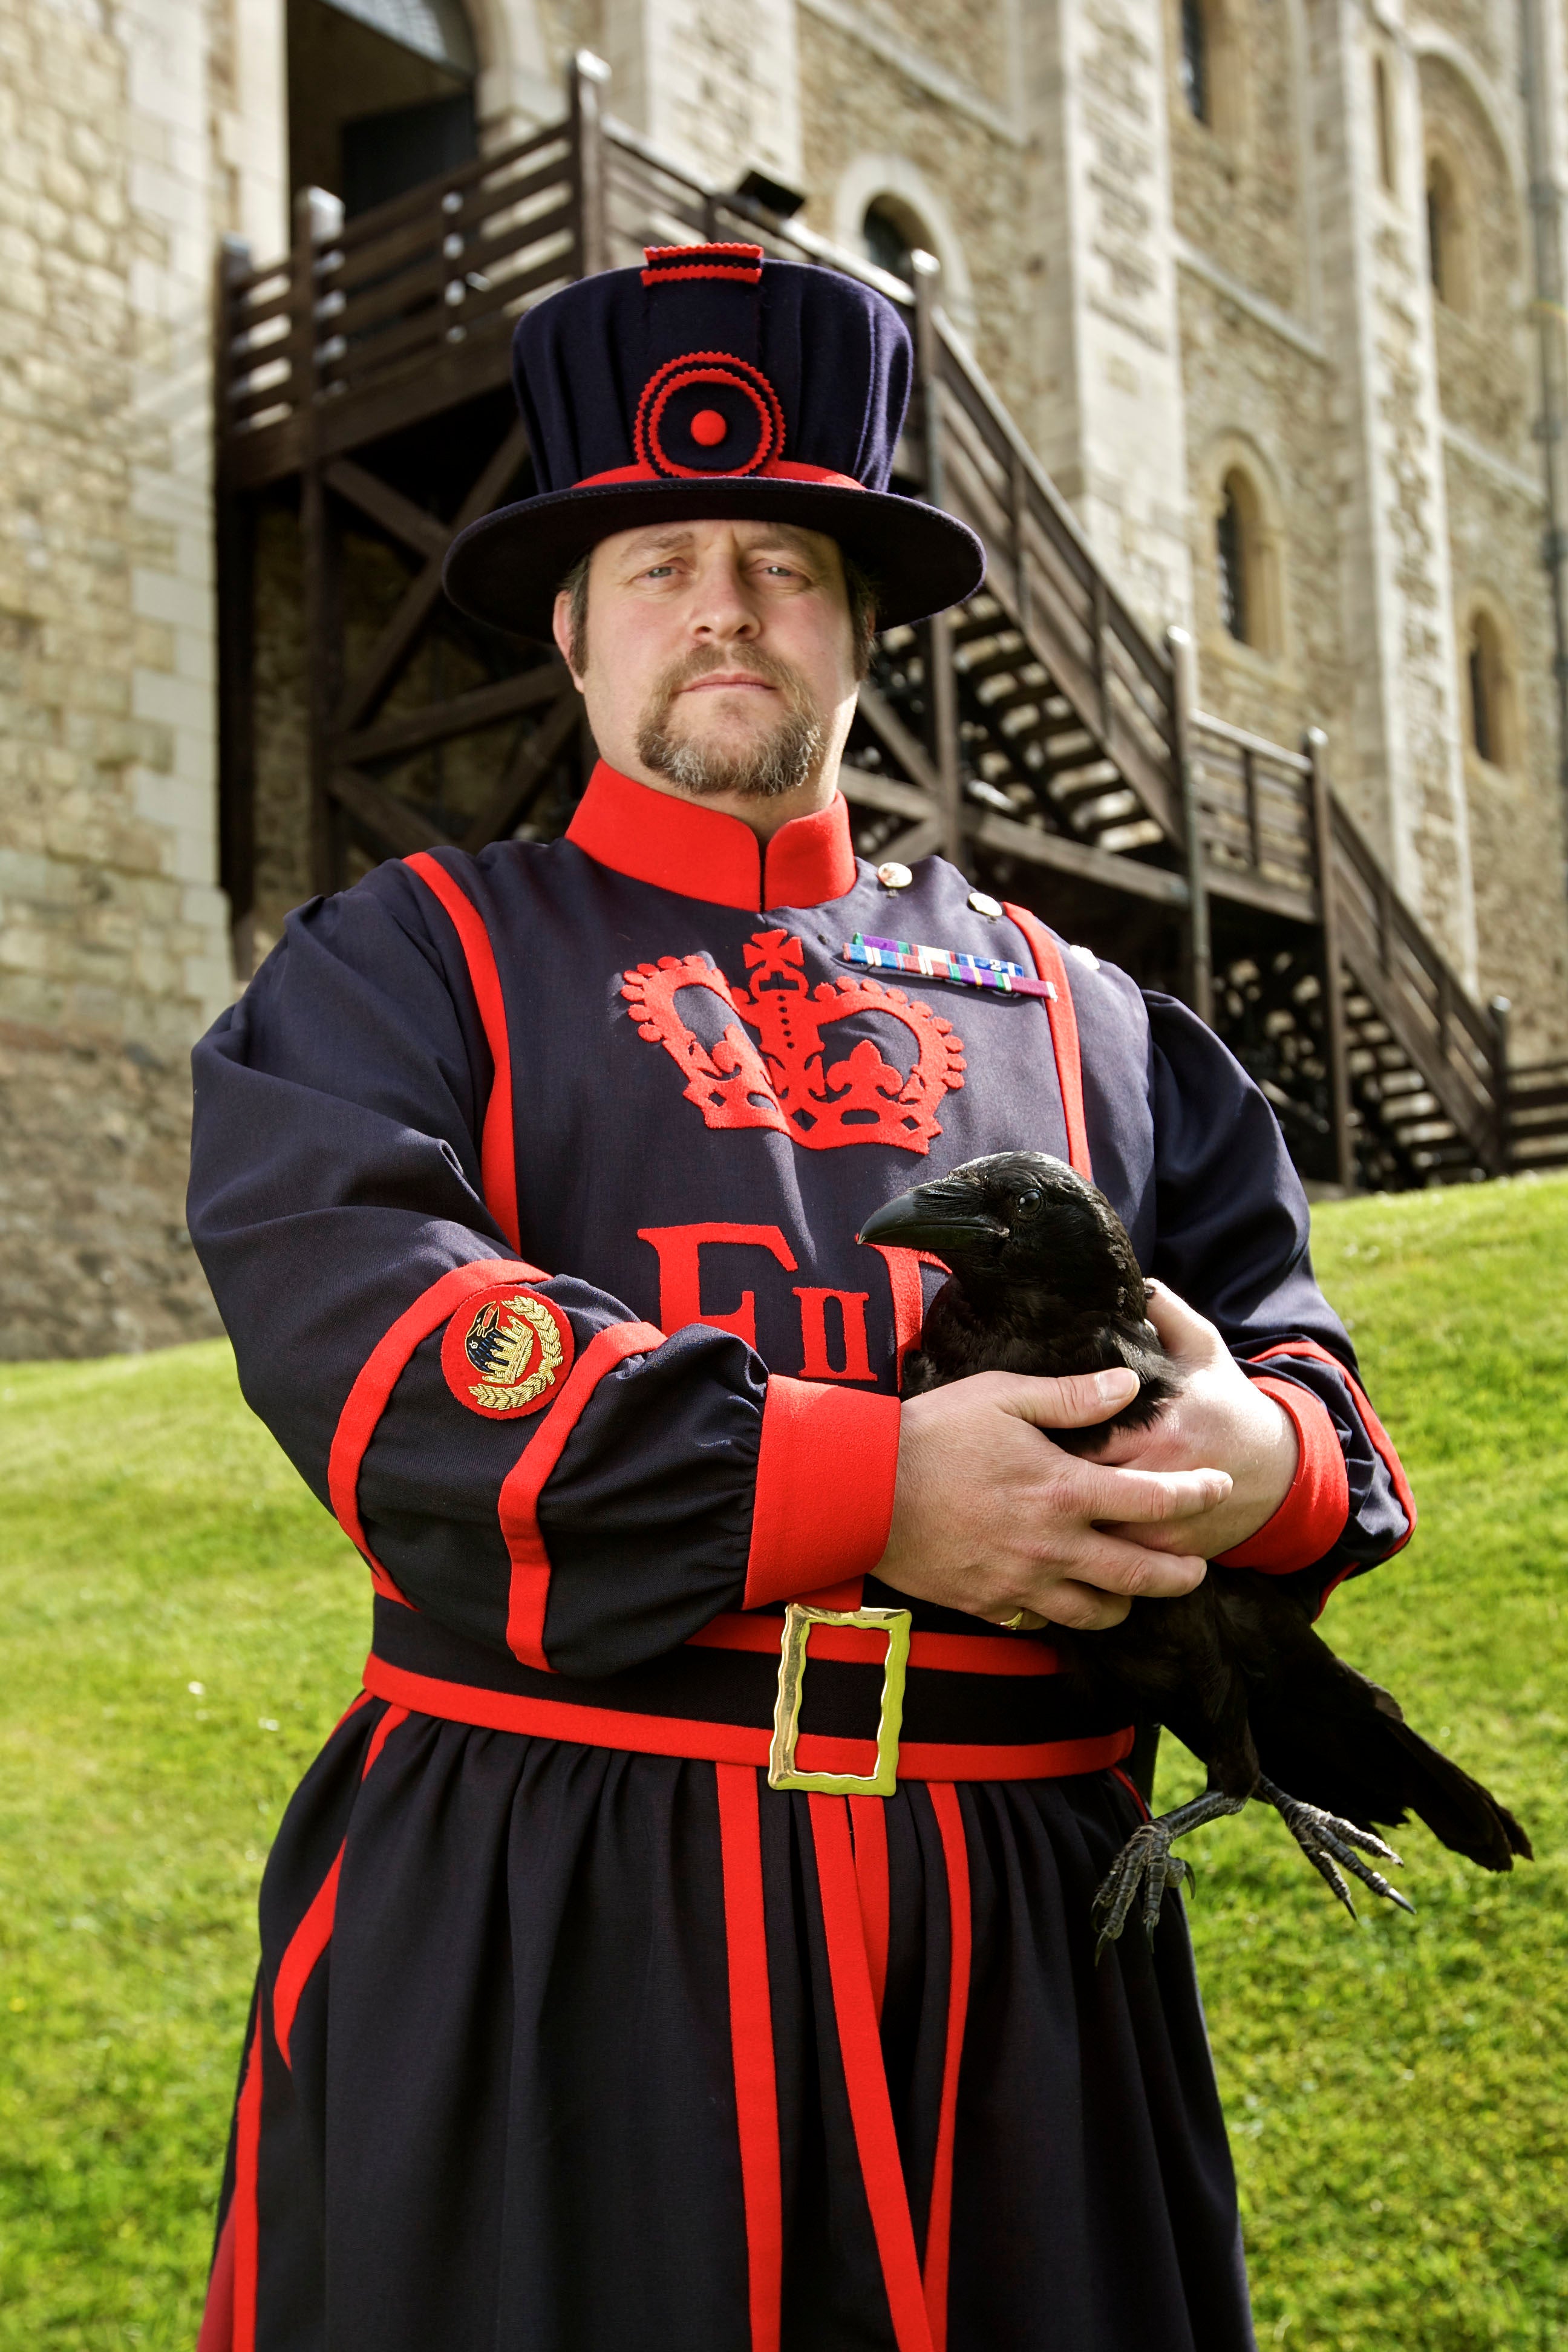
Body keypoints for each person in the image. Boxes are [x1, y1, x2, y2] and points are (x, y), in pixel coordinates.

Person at [188, 243, 1413, 2352]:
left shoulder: (1096, 1016)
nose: (728, 604)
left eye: (786, 558)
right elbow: (386, 1347)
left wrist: (1257, 1452)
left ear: (867, 628)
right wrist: (875, 1489)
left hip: (1030, 1939)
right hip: (546, 1900)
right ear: (571, 630)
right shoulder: (404, 966)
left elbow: (1315, 1390)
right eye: (660, 560)